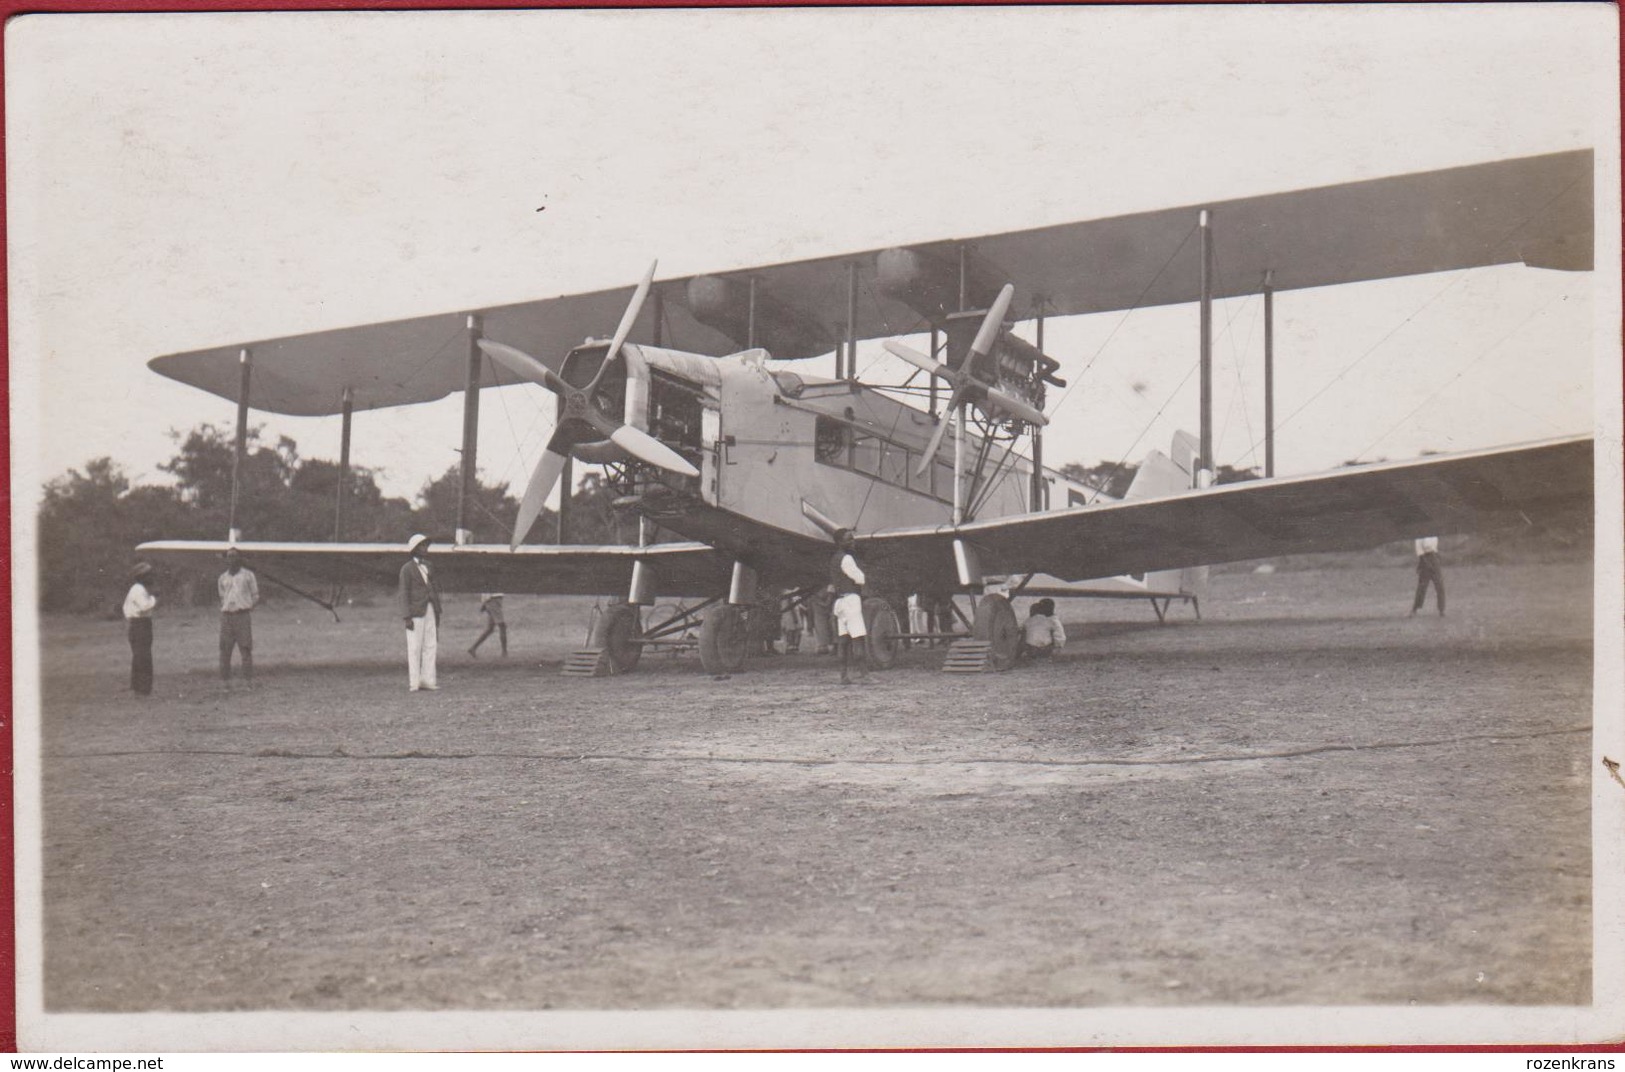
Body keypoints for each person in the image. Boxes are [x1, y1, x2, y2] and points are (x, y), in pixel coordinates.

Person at [399, 533, 443, 691]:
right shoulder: (406, 569)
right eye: (422, 546)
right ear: (415, 549)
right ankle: (414, 682)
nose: (425, 548)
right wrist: (406, 616)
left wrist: (437, 608)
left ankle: (428, 680)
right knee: (415, 647)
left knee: (431, 645)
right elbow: (403, 593)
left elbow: (434, 587)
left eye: (426, 545)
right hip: (415, 611)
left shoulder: (429, 566)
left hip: (430, 608)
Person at [829, 529, 868, 685]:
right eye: (849, 540)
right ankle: (865, 675)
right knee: (858, 637)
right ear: (840, 542)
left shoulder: (834, 559)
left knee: (843, 640)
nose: (853, 542)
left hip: (839, 602)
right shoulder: (847, 559)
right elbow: (860, 578)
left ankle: (843, 675)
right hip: (851, 600)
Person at [217, 547, 259, 688]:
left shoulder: (248, 575)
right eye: (229, 556)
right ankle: (225, 683)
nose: (232, 559)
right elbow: (222, 596)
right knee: (225, 650)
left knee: (245, 649)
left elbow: (255, 595)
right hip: (227, 617)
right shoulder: (222, 578)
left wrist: (247, 607)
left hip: (242, 616)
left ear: (240, 558)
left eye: (235, 556)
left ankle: (248, 682)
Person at [123, 562, 157, 696]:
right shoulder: (139, 590)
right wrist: (154, 599)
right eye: (148, 575)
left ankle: (137, 686)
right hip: (141, 624)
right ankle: (143, 688)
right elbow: (145, 606)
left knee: (139, 655)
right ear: (142, 576)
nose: (151, 577)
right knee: (143, 656)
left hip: (136, 624)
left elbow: (125, 608)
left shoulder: (136, 589)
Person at [1018, 598, 1066, 662]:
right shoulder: (1052, 620)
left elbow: (1021, 629)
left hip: (1032, 650)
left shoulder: (1029, 620)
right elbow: (1060, 637)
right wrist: (1057, 647)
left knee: (1024, 634)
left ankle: (1018, 655)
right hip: (1046, 650)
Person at [1412, 535, 1445, 616]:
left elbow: (1435, 548)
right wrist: (1425, 563)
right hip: (1424, 559)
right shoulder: (1419, 536)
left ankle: (1441, 609)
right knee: (1422, 586)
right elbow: (1419, 551)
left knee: (1440, 585)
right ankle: (1415, 609)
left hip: (1434, 558)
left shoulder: (1434, 536)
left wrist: (1437, 560)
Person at [469, 593, 507, 658]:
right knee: (502, 626)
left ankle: (473, 648)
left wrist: (484, 602)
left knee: (490, 628)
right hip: (493, 600)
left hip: (492, 600)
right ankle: (504, 653)